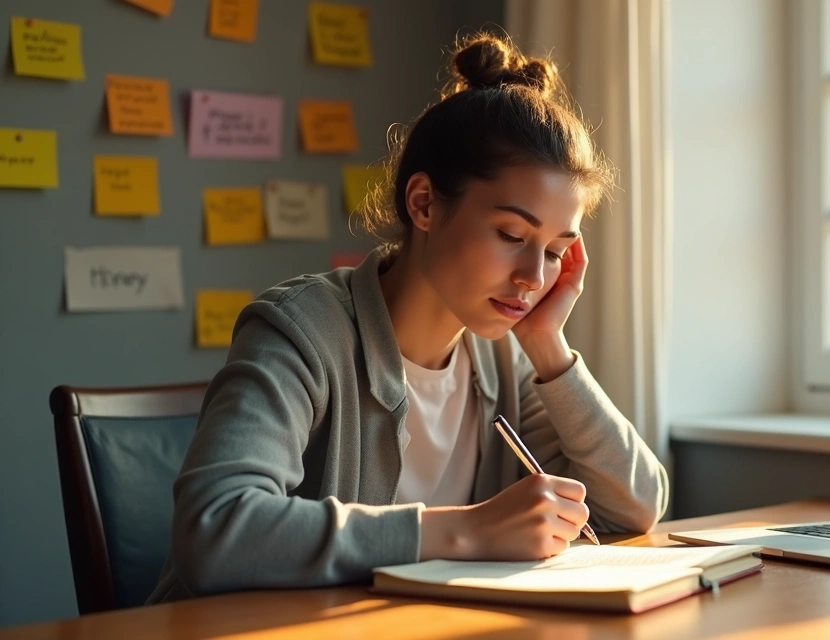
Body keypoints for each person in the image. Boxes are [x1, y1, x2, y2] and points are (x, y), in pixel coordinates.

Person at [148, 32, 669, 603]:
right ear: (423, 204)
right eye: (511, 235)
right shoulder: (300, 330)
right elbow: (215, 530)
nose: (534, 277)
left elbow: (636, 506)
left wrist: (549, 348)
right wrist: (466, 530)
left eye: (552, 251)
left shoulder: (501, 360)